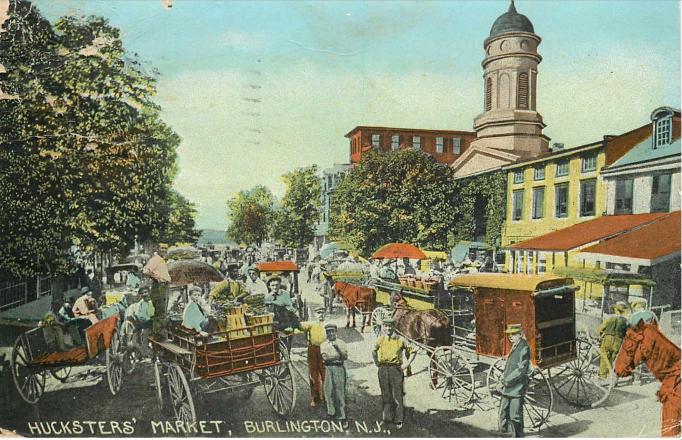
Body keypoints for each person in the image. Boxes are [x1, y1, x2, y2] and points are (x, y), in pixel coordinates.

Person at [372, 318, 411, 430]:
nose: (388, 329)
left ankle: (399, 419)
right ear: (383, 327)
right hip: (383, 369)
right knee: (386, 395)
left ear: (394, 327)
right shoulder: (381, 339)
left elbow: (413, 351)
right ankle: (387, 418)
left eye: (390, 326)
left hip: (396, 370)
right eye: (386, 326)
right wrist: (377, 363)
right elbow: (373, 351)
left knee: (397, 396)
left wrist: (406, 365)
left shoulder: (400, 340)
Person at [496, 324, 531, 437]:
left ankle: (518, 436)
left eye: (514, 334)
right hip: (508, 385)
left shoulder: (524, 347)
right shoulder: (516, 345)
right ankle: (503, 432)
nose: (510, 336)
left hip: (516, 387)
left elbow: (521, 370)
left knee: (515, 415)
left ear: (520, 335)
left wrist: (506, 380)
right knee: (503, 411)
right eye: (509, 334)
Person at [321, 323, 348, 427]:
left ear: (336, 332)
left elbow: (345, 356)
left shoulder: (341, 343)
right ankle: (331, 413)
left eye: (332, 331)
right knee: (328, 391)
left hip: (339, 368)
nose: (330, 334)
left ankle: (342, 416)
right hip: (328, 369)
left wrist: (338, 350)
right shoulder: (323, 345)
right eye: (328, 332)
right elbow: (325, 358)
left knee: (340, 392)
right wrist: (337, 357)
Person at [300, 307, 328, 407]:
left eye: (322, 312)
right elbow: (300, 326)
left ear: (325, 314)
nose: (321, 314)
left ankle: (327, 397)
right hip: (313, 350)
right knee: (313, 374)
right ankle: (315, 398)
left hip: (325, 351)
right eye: (318, 312)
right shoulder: (311, 324)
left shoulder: (328, 325)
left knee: (325, 374)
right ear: (315, 314)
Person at [143, 244, 171, 340]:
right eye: (162, 248)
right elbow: (145, 271)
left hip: (164, 286)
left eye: (165, 248)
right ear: (157, 249)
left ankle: (161, 334)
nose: (163, 250)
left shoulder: (162, 260)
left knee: (163, 311)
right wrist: (157, 277)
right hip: (159, 287)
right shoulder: (155, 259)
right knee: (160, 311)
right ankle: (160, 336)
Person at [598, 302, 629, 380]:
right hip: (618, 341)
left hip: (608, 338)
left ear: (616, 310)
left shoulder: (609, 318)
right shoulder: (626, 321)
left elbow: (601, 328)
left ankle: (602, 377)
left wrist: (600, 334)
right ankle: (611, 376)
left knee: (604, 356)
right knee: (613, 358)